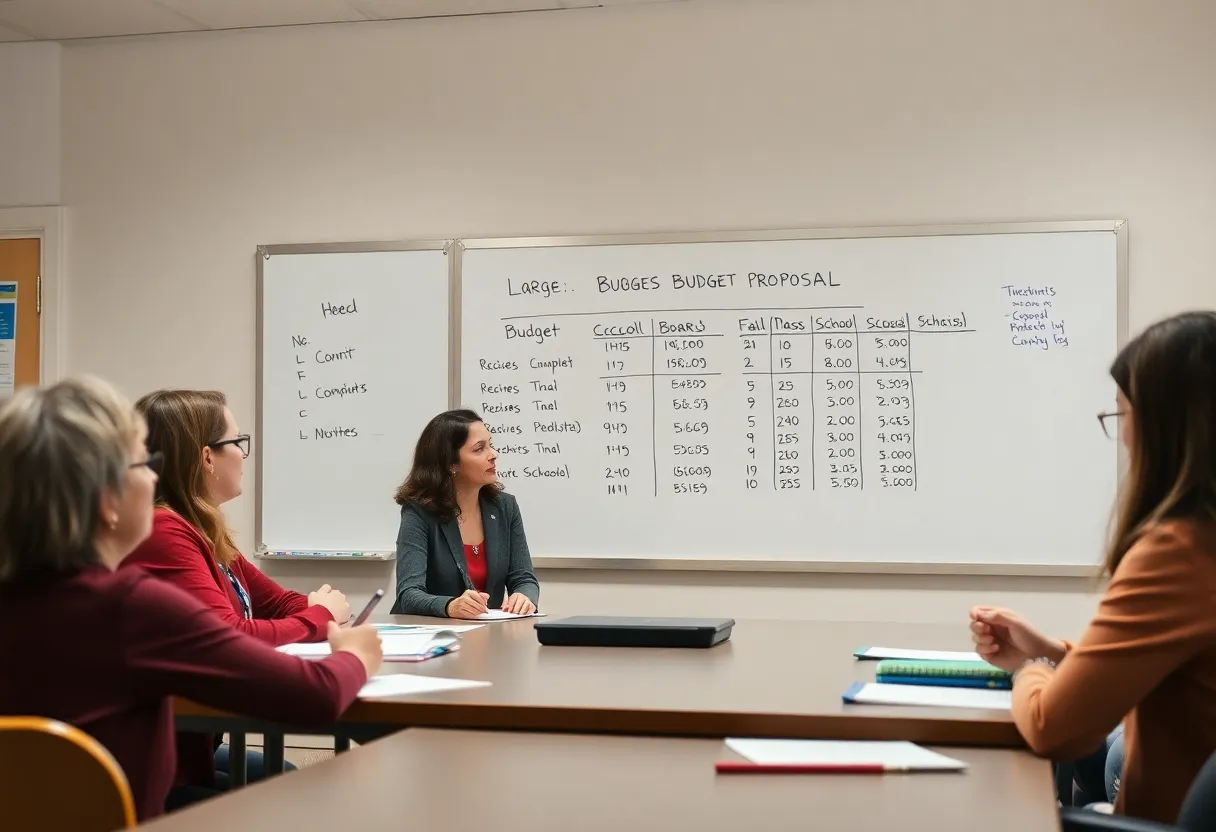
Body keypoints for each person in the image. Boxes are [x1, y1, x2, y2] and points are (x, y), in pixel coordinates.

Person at [0, 377, 382, 822]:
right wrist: (355, 656)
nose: (155, 477)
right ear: (107, 499)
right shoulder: (132, 608)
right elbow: (314, 696)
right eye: (144, 464)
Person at [969, 310, 1216, 823]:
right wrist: (1056, 652)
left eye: (1122, 415)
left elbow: (1051, 728)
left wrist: (1031, 670)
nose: (1122, 437)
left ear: (1163, 425)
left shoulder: (1180, 551)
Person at [121, 388, 352, 804]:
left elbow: (278, 603)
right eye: (237, 443)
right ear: (207, 457)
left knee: (282, 776)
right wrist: (319, 616)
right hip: (157, 761)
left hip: (191, 743)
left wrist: (314, 610)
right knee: (283, 789)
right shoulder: (165, 531)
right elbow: (229, 635)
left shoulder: (203, 530)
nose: (244, 456)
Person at [390, 409, 540, 619]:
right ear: (451, 463)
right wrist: (450, 606)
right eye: (479, 449)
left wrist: (524, 597)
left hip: (488, 632)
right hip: (435, 633)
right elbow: (408, 594)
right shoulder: (419, 511)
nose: (493, 454)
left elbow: (524, 578)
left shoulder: (505, 507)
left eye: (490, 445)